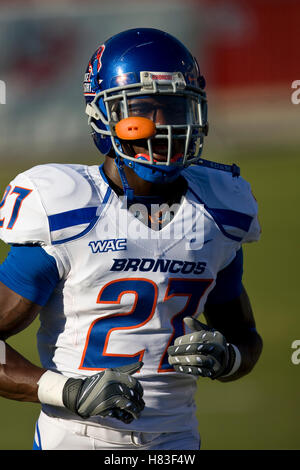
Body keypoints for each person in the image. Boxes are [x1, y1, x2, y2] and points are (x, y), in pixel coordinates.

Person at [0, 28, 262, 451]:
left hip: (176, 440)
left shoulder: (219, 210)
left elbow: (245, 337)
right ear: (102, 116)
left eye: (175, 109)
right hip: (77, 437)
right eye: (142, 109)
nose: (161, 126)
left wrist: (227, 356)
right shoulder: (68, 207)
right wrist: (67, 391)